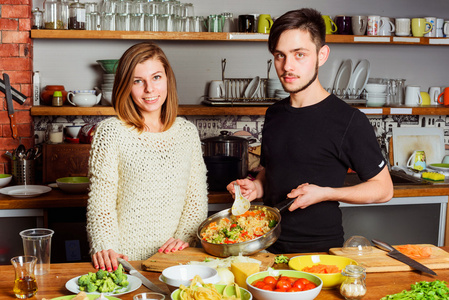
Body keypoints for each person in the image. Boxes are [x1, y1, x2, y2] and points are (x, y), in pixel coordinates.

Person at [227, 8, 393, 254]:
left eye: (299, 54)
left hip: (319, 252)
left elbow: (384, 189)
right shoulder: (274, 114)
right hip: (266, 246)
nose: (287, 66)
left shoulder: (348, 120)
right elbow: (272, 171)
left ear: (321, 55)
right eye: (280, 56)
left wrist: (325, 193)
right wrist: (257, 187)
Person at [86, 42, 208, 271]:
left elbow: (196, 199)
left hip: (176, 260)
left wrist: (184, 237)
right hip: (124, 261)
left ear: (168, 80)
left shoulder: (187, 132)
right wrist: (104, 245)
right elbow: (101, 202)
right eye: (138, 81)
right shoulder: (110, 132)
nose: (149, 89)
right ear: (125, 86)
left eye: (156, 77)